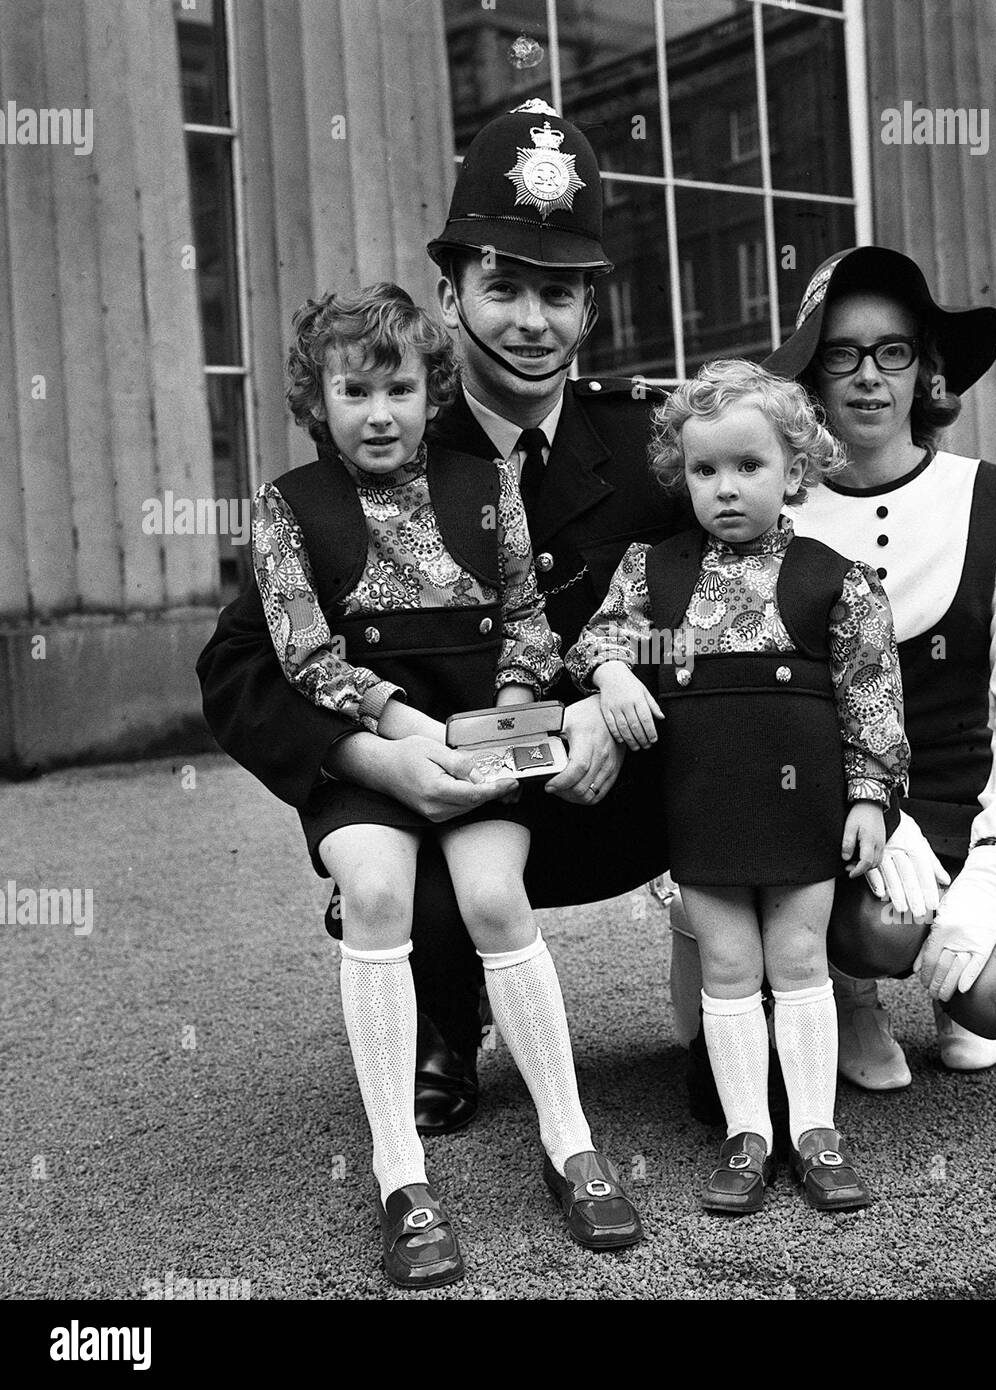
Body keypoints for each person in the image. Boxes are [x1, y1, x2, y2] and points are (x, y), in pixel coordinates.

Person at [196, 100, 688, 1142]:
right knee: (404, 842)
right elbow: (241, 666)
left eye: (558, 292)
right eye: (501, 286)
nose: (529, 320)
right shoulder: (376, 441)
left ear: (592, 308)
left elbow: (726, 604)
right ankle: (442, 1011)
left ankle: (749, 985)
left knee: (749, 726)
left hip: (601, 794)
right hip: (431, 787)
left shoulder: (652, 446)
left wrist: (609, 696)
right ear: (450, 292)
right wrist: (370, 762)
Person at [252, 282, 641, 1286]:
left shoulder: (483, 484)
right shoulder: (293, 506)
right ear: (317, 400)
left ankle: (571, 1140)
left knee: (493, 894)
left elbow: (526, 622)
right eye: (353, 391)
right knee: (376, 892)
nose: (378, 414)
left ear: (432, 394)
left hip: (479, 740)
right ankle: (401, 1173)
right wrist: (399, 728)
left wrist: (504, 722)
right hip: (370, 749)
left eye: (399, 390)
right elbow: (300, 653)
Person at [672, 246, 996, 1096]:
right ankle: (850, 999)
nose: (867, 376)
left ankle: (960, 978)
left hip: (975, 797)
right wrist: (879, 806)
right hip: (844, 804)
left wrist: (994, 866)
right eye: (839, 354)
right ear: (810, 378)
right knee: (883, 934)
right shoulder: (769, 509)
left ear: (923, 369)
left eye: (893, 351)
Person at [566, 361, 910, 1212]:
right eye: (703, 470)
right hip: (702, 803)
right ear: (679, 476)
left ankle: (815, 1135)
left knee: (797, 961)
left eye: (747, 467)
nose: (724, 488)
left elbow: (873, 697)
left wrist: (869, 797)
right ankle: (746, 1133)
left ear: (795, 470)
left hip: (804, 810)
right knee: (726, 965)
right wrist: (613, 676)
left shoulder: (836, 577)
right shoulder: (657, 572)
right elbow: (595, 640)